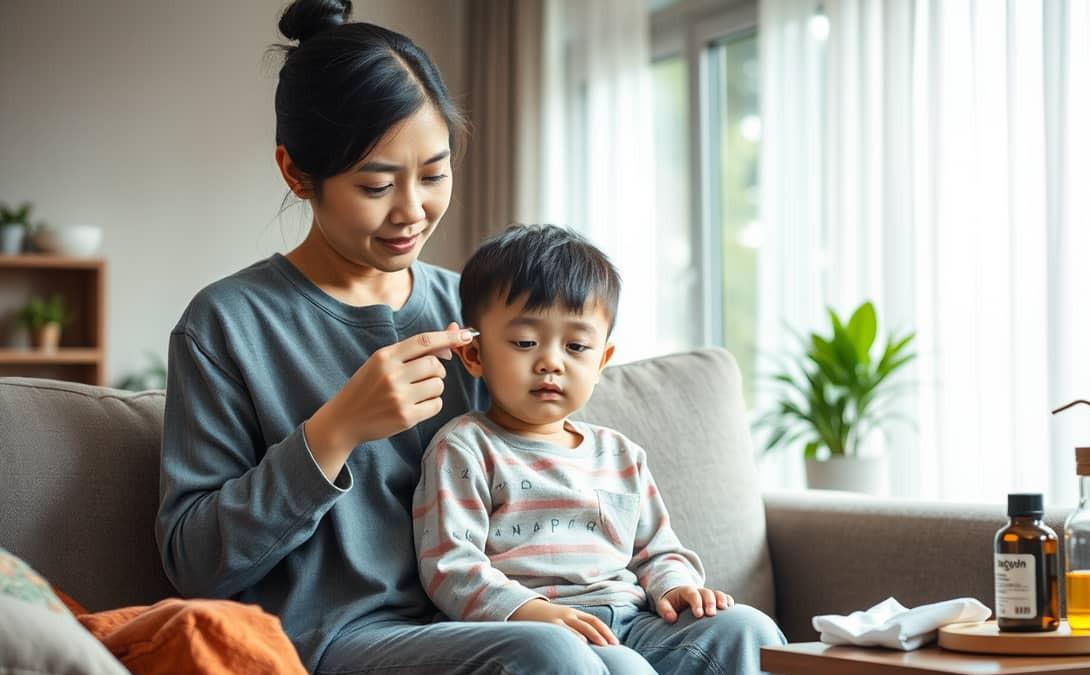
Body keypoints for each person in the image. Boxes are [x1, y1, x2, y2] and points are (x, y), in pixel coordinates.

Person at [155, 2, 628, 673]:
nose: (413, 211)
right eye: (377, 184)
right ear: (296, 173)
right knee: (550, 654)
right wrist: (334, 431)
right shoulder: (228, 324)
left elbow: (552, 465)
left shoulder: (471, 308)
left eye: (434, 174)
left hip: (489, 611)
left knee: (731, 633)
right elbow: (192, 562)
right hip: (339, 638)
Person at [413, 225, 786, 674]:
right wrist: (532, 612)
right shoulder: (464, 447)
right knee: (625, 669)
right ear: (475, 356)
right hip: (536, 631)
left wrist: (676, 587)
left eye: (576, 346)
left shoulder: (620, 454)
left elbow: (656, 551)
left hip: (634, 622)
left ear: (601, 362)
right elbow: (450, 566)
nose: (551, 361)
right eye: (525, 342)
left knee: (748, 629)